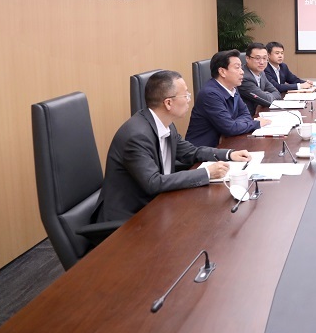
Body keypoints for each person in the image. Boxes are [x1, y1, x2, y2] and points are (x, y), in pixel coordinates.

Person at [95, 70, 253, 223]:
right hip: (130, 218)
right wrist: (206, 173)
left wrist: (229, 154)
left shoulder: (165, 124)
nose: (189, 99)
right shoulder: (137, 136)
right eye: (186, 95)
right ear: (168, 103)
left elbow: (190, 152)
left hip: (159, 204)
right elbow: (153, 183)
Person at [186, 50, 269, 147]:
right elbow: (230, 128)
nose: (242, 72)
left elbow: (245, 114)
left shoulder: (232, 88)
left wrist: (235, 124)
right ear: (222, 72)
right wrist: (256, 123)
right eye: (237, 68)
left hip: (226, 143)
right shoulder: (210, 94)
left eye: (241, 67)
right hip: (204, 150)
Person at [239, 42, 282, 115]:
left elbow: (277, 93)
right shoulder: (243, 77)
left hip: (260, 113)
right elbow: (267, 101)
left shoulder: (261, 72)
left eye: (265, 58)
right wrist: (266, 94)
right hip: (248, 117)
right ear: (247, 58)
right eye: (257, 58)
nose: (262, 62)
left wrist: (265, 94)